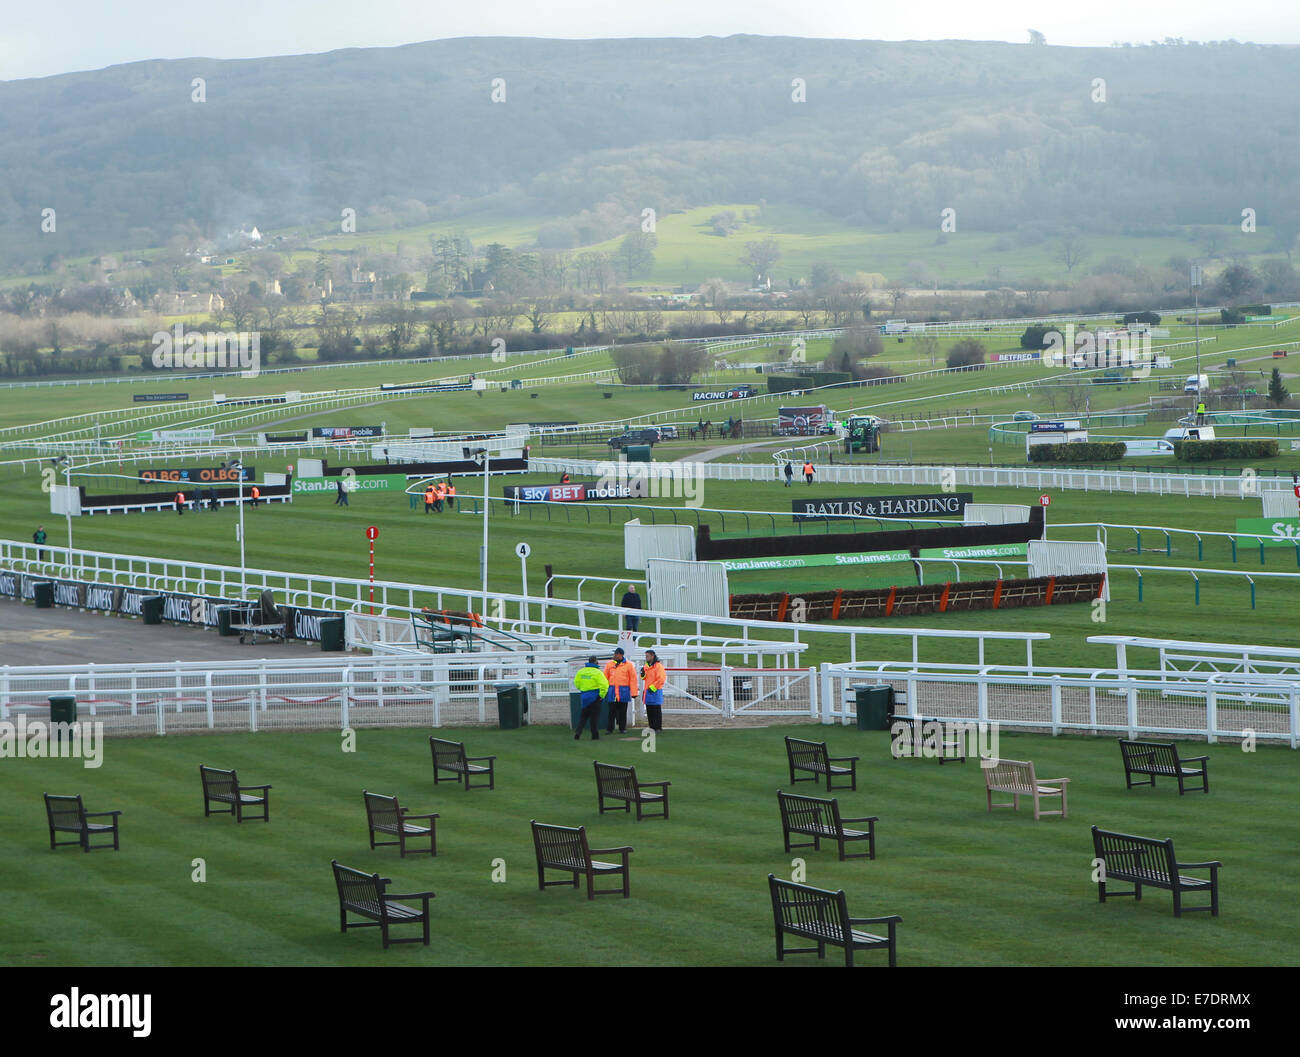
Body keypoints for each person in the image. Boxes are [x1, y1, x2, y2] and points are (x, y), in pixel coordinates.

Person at [603, 647, 639, 735]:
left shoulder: (629, 665)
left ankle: (622, 728)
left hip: (623, 692)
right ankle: (609, 729)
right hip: (612, 692)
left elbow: (633, 679)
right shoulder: (609, 664)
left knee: (623, 711)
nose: (614, 655)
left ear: (620, 655)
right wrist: (603, 691)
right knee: (611, 711)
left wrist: (634, 692)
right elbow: (605, 678)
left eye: (615, 654)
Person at [573, 656, 610, 740]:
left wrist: (582, 689)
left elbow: (576, 682)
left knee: (583, 716)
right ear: (595, 662)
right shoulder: (598, 672)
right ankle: (595, 736)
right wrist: (601, 695)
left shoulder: (581, 672)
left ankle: (578, 732)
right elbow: (604, 685)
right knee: (594, 718)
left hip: (584, 696)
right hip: (595, 697)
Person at [640, 649, 667, 733]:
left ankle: (658, 727)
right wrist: (642, 674)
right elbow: (644, 678)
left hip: (655, 691)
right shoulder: (646, 666)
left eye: (647, 656)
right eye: (646, 656)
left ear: (652, 656)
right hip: (648, 691)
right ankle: (652, 727)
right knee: (649, 710)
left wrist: (653, 687)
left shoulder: (658, 666)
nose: (646, 658)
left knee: (656, 710)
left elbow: (661, 679)